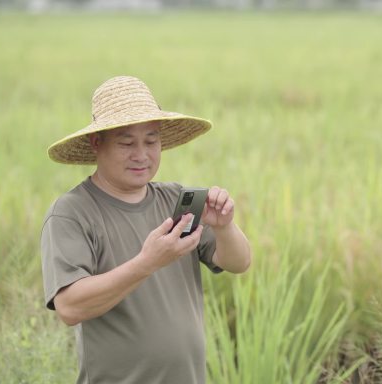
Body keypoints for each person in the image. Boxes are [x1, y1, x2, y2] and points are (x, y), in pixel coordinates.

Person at [41, 75, 251, 384]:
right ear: (96, 143)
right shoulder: (72, 213)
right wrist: (148, 262)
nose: (142, 154)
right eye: (127, 143)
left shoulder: (177, 200)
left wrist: (225, 227)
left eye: (151, 141)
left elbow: (239, 262)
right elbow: (70, 306)